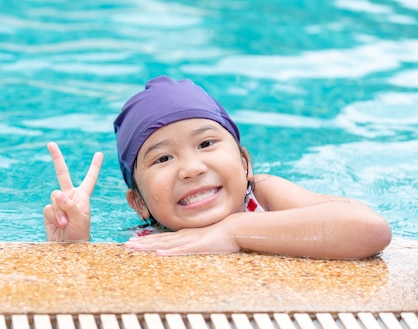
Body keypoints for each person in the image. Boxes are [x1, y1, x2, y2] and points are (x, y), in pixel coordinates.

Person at [43, 76, 391, 259]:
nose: (191, 169)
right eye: (163, 159)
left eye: (206, 144)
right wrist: (73, 248)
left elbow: (369, 230)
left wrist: (235, 231)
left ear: (244, 163)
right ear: (140, 203)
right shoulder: (148, 245)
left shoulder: (264, 194)